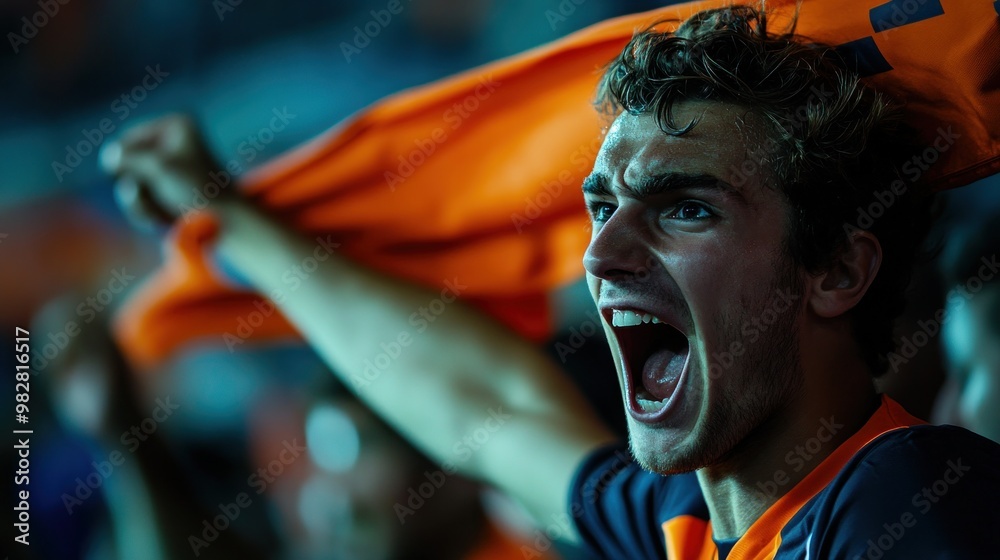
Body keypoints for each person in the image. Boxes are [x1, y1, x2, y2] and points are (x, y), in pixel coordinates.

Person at [103, 5, 1000, 559]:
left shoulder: (907, 497)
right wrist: (230, 216)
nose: (603, 254)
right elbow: (476, 406)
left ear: (837, 268)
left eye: (686, 209)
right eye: (602, 207)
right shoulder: (682, 529)